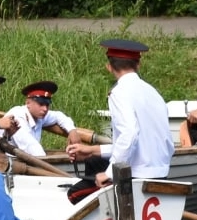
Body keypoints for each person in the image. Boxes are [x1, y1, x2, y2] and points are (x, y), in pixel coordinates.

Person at [64, 39, 173, 195]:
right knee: (94, 159)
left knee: (73, 195)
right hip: (161, 174)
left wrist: (109, 174)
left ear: (109, 67)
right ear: (138, 65)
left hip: (136, 177)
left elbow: (129, 134)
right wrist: (92, 150)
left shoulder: (119, 92)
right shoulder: (153, 93)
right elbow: (139, 142)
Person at [4, 81, 80, 158]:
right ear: (28, 103)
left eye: (47, 105)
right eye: (41, 104)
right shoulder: (18, 117)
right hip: (0, 162)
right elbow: (33, 149)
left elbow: (58, 116)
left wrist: (72, 130)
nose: (45, 109)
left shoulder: (38, 114)